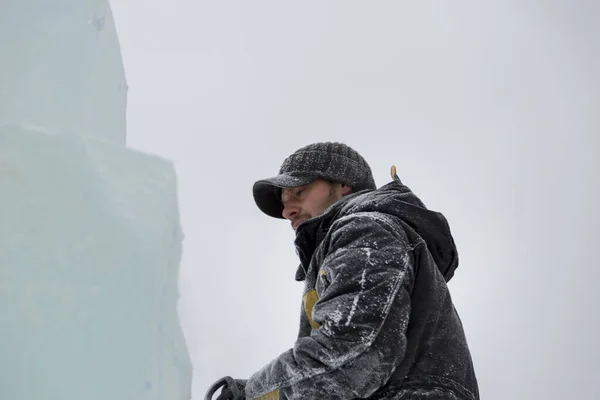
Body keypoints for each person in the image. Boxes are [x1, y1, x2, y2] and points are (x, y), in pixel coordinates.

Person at [208, 142, 479, 400]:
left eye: (299, 192)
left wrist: (252, 393)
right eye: (284, 202)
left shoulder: (365, 230)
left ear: (343, 185)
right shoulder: (354, 238)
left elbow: (353, 351)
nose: (287, 211)